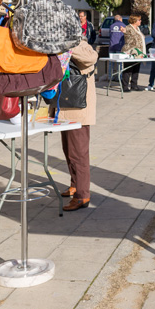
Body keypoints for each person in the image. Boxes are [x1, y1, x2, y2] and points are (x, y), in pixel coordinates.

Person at [54, 38, 98, 211]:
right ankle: (75, 185)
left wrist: (68, 43)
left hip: (78, 110)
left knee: (78, 154)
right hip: (65, 106)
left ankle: (82, 195)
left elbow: (91, 58)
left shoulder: (81, 44)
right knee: (68, 151)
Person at [120, 14, 146, 91]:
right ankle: (125, 86)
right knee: (128, 69)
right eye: (139, 20)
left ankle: (134, 85)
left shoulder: (138, 29)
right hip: (130, 51)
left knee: (136, 69)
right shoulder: (128, 28)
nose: (140, 21)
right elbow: (125, 31)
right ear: (134, 21)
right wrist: (123, 30)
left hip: (138, 52)